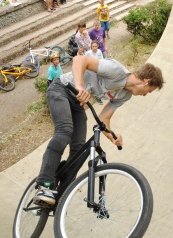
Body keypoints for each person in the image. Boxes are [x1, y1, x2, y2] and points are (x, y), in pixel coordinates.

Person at [32, 56, 164, 206]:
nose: (145, 94)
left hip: (77, 103)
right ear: (147, 81)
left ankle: (61, 189)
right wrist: (80, 86)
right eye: (149, 90)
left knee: (79, 148)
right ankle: (44, 185)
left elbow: (104, 118)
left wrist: (112, 136)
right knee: (65, 131)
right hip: (61, 89)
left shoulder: (125, 95)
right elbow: (80, 60)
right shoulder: (117, 71)